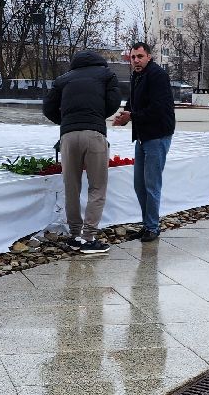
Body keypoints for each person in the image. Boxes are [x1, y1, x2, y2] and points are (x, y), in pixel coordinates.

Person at [43, 48, 121, 255]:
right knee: (97, 187)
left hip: (68, 136)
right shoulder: (107, 75)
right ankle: (88, 238)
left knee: (71, 187)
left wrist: (68, 121)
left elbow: (47, 108)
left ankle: (75, 236)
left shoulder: (63, 79)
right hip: (94, 134)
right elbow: (113, 103)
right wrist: (94, 116)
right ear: (98, 61)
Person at [113, 40, 175, 243]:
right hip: (142, 136)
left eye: (140, 56)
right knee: (139, 185)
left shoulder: (157, 75)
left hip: (157, 136)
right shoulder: (137, 76)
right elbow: (133, 103)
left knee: (151, 185)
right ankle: (147, 224)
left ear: (149, 56)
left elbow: (157, 108)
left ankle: (152, 227)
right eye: (133, 57)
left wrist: (132, 116)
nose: (136, 60)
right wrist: (124, 115)